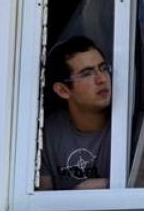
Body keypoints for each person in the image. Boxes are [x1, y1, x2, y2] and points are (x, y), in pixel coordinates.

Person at [38, 36, 112, 190]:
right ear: (63, 90)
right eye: (87, 73)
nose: (102, 79)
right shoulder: (45, 134)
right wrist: (77, 194)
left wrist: (105, 185)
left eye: (103, 68)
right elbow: (42, 204)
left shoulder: (135, 127)